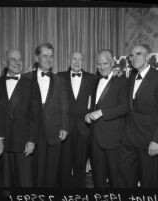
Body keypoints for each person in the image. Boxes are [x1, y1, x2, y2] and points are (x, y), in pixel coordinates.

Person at [118, 44, 158, 188]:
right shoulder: (130, 78)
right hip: (129, 143)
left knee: (150, 184)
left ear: (147, 57)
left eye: (138, 54)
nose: (134, 57)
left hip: (150, 143)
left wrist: (156, 140)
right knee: (125, 182)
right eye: (131, 55)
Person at [0, 50, 41, 187]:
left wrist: (32, 140)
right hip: (2, 144)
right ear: (5, 62)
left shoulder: (31, 84)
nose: (17, 62)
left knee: (24, 183)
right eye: (13, 59)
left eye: (20, 59)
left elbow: (36, 115)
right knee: (4, 184)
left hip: (23, 144)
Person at [85, 49, 129, 188]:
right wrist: (88, 114)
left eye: (105, 63)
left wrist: (102, 112)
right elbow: (91, 104)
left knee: (116, 180)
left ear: (112, 63)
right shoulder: (94, 80)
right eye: (99, 64)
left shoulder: (122, 80)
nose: (102, 67)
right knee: (98, 180)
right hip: (95, 139)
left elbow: (125, 107)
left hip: (113, 139)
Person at [31, 42, 69, 187]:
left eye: (51, 56)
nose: (49, 59)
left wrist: (64, 127)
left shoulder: (60, 81)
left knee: (51, 172)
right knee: (35, 170)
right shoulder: (27, 78)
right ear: (37, 58)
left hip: (54, 130)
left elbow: (64, 106)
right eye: (45, 56)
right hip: (33, 132)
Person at [57, 51, 97, 187]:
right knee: (64, 168)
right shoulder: (59, 77)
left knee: (80, 168)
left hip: (84, 129)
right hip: (64, 129)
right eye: (74, 59)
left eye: (80, 59)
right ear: (69, 60)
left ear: (83, 62)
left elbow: (107, 83)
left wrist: (117, 74)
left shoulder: (92, 78)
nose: (77, 62)